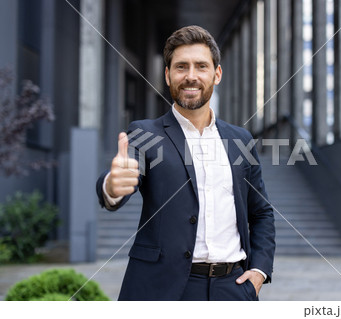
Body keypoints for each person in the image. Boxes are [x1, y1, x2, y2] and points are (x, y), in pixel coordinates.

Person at [96, 25, 275, 301]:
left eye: (201, 66)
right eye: (181, 67)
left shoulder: (241, 139)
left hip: (233, 289)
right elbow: (125, 174)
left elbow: (261, 212)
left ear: (217, 74)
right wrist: (113, 185)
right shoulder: (145, 134)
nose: (191, 76)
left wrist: (259, 271)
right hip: (163, 290)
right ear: (167, 75)